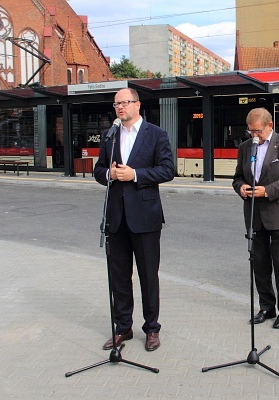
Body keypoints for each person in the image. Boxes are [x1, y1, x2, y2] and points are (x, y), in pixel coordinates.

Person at [94, 88, 175, 352]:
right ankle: (123, 328)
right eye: (116, 104)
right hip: (116, 217)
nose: (120, 108)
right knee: (119, 276)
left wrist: (135, 175)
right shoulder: (111, 136)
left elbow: (167, 169)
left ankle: (152, 329)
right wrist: (110, 175)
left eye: (125, 103)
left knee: (148, 276)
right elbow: (98, 170)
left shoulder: (156, 134)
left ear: (137, 105)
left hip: (145, 217)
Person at [232, 108, 279, 329]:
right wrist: (241, 187)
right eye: (250, 131)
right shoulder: (245, 147)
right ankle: (266, 307)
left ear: (270, 125)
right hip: (254, 214)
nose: (254, 135)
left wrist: (267, 191)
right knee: (259, 264)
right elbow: (237, 177)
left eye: (258, 131)